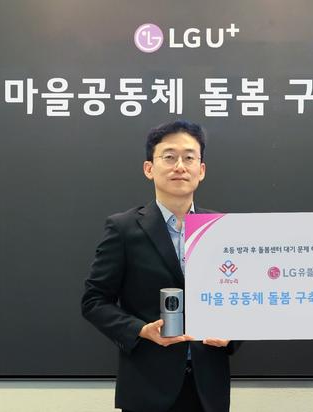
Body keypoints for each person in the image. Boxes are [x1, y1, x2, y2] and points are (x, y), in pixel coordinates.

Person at [82, 120, 237, 412]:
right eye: (169, 157)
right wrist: (140, 330)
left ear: (201, 170)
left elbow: (242, 301)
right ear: (149, 168)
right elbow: (94, 301)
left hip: (208, 389)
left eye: (189, 157)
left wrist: (232, 335)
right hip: (147, 387)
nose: (180, 166)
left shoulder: (221, 228)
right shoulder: (124, 228)